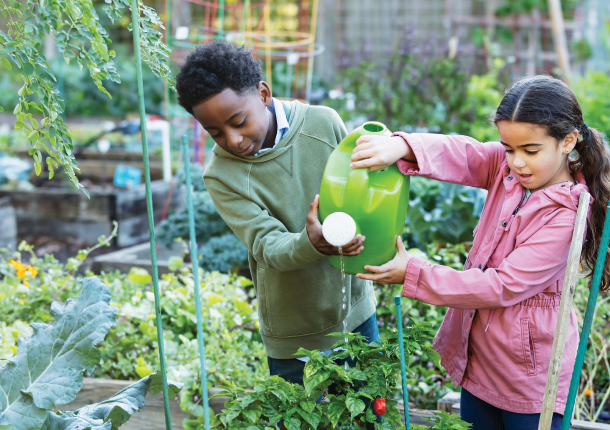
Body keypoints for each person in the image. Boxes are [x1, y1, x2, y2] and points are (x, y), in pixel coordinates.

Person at [350, 75, 610, 430]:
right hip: (480, 363)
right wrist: (403, 146)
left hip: (531, 380)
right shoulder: (507, 170)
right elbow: (465, 153)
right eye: (508, 148)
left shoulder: (567, 216)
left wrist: (414, 272)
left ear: (567, 141)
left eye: (530, 151)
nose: (516, 162)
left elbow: (500, 285)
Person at [174, 40, 379, 386]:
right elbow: (266, 245)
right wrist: (310, 243)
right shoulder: (222, 175)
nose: (234, 140)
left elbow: (359, 193)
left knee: (372, 416)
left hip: (355, 310)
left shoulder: (323, 124)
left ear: (264, 93)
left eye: (238, 121)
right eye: (215, 133)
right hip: (292, 332)